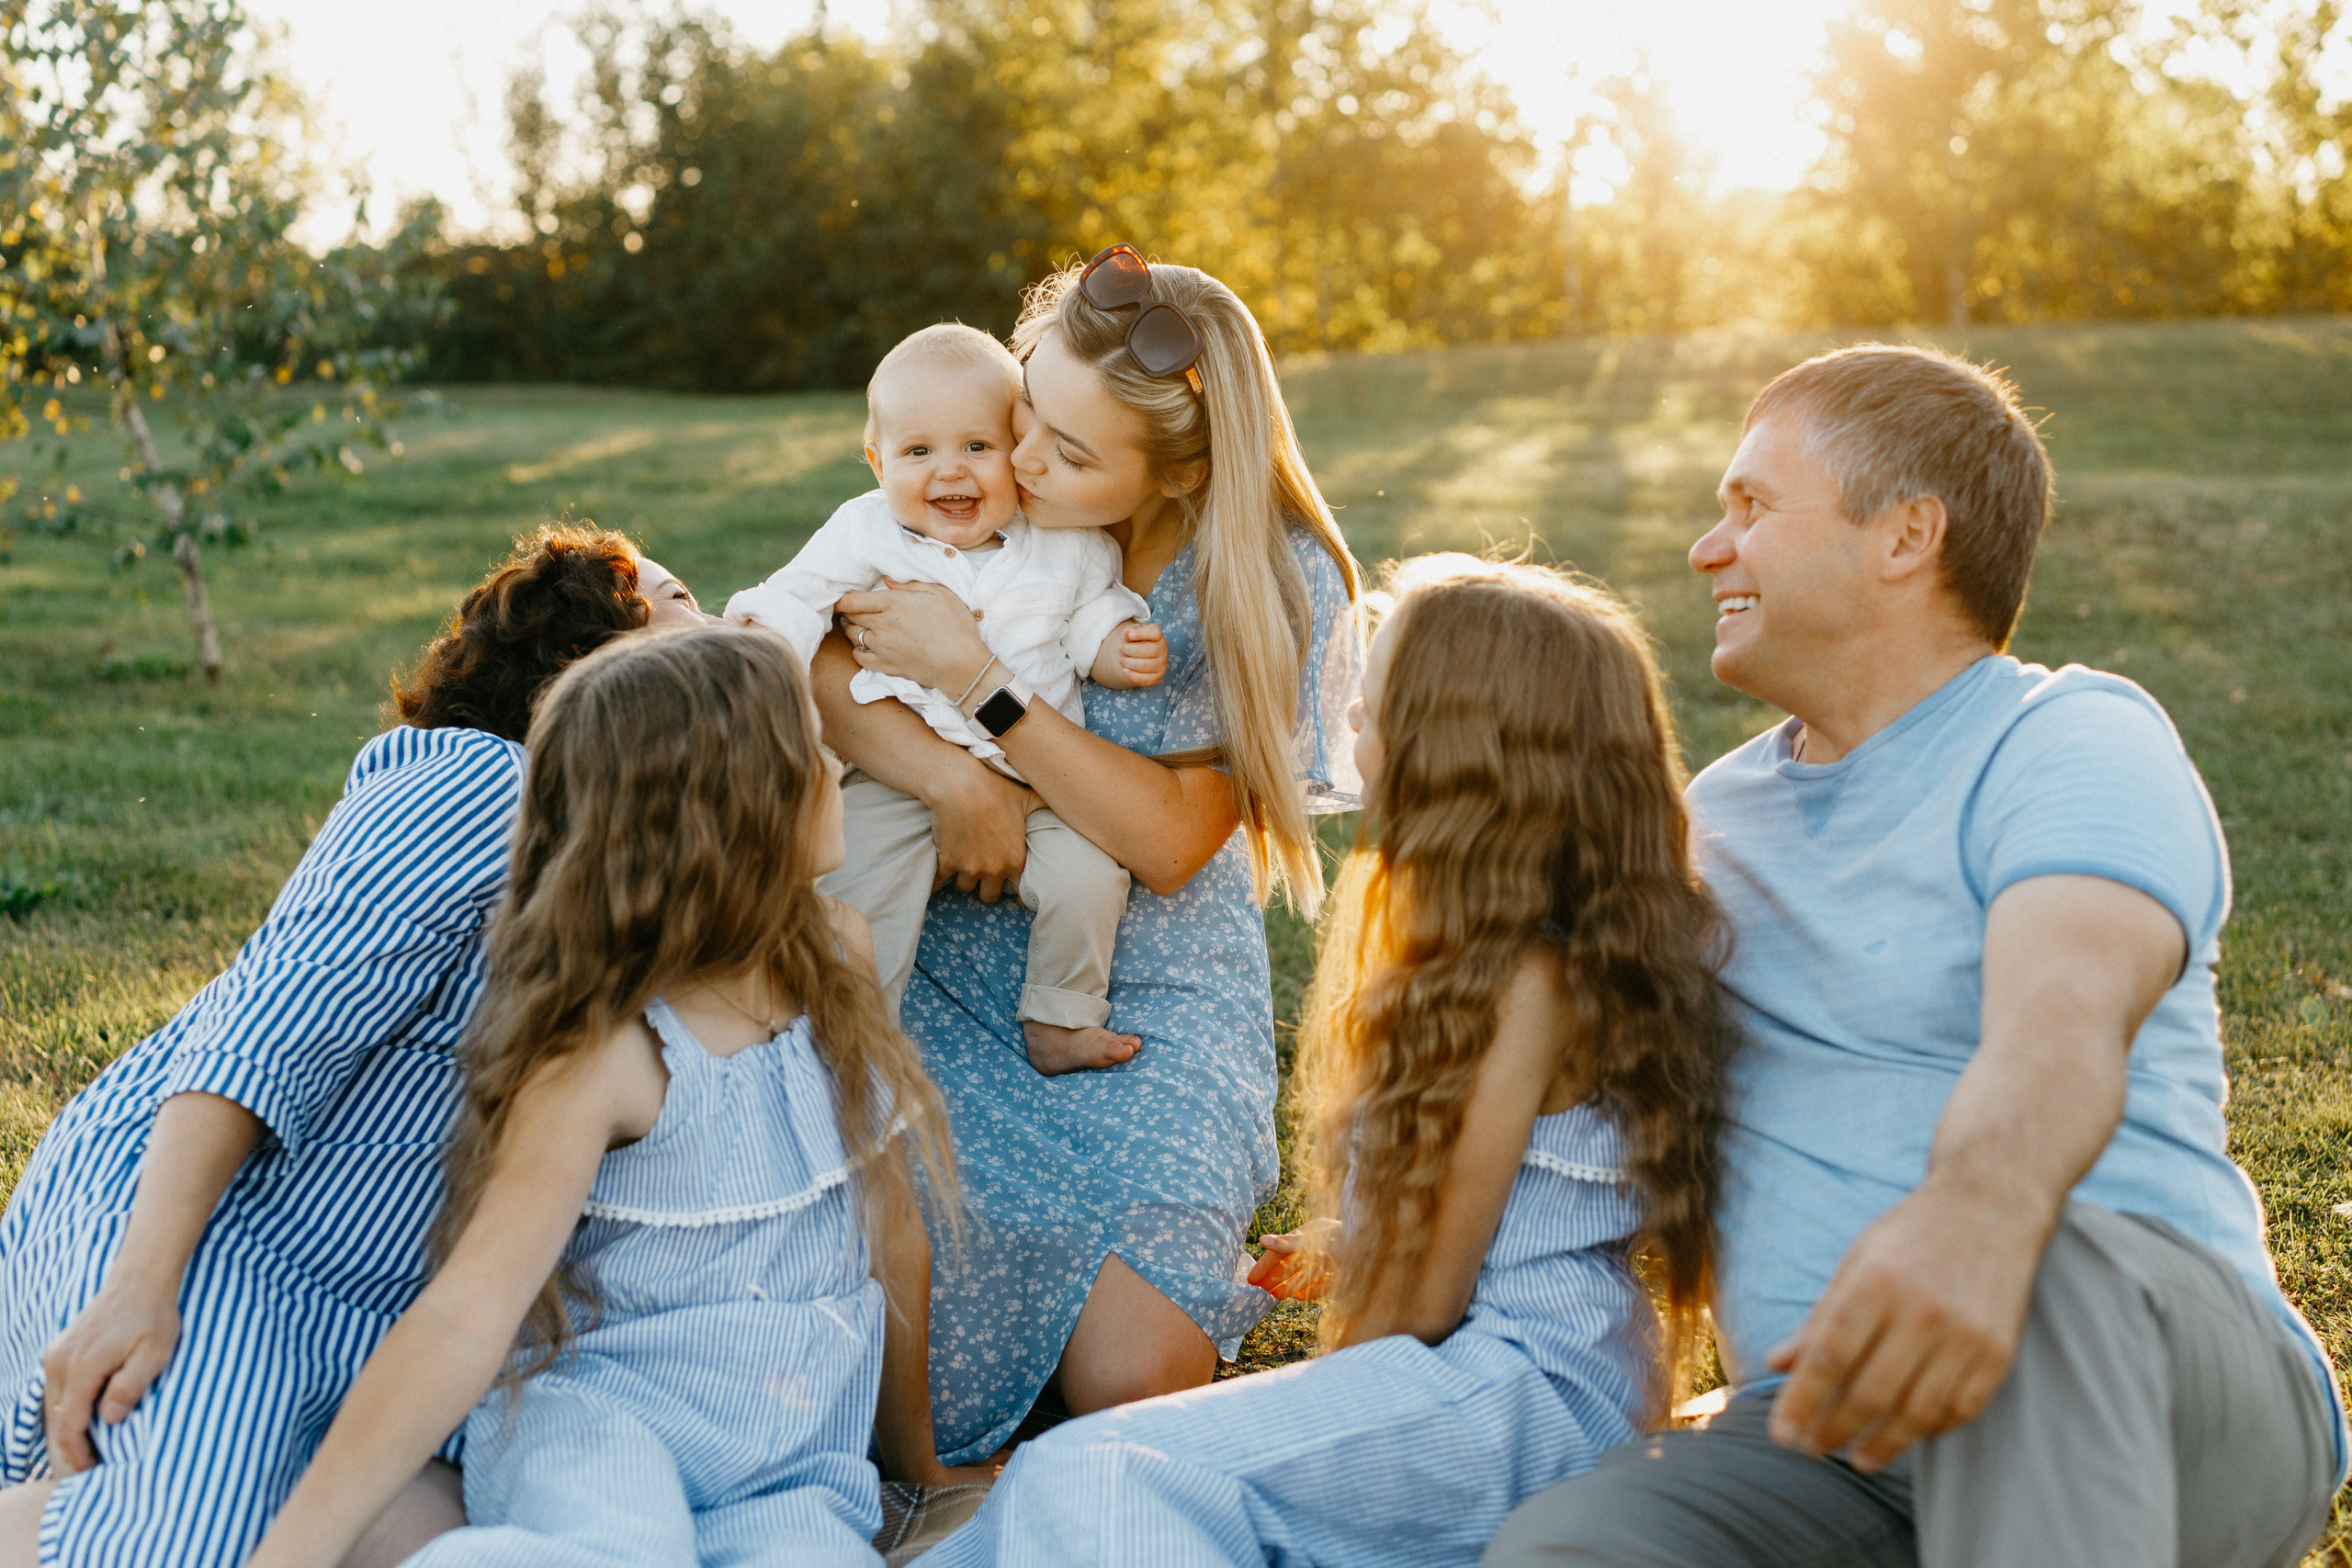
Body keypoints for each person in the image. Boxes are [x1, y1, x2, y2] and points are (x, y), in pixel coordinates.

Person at [1486, 344, 2346, 1568]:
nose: (1705, 548)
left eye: (1751, 506)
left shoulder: (2067, 736)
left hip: (2151, 1378)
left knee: (2046, 1279)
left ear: (1905, 535)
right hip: (1834, 1432)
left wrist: (1979, 1215)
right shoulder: (1704, 830)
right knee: (1577, 1542)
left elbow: (2065, 1017)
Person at [914, 555, 1731, 1567]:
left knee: (1101, 1472)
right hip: (1517, 1369)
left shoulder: (1529, 981)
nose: (1348, 728)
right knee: (1044, 1497)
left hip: (1529, 1386)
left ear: (1460, 755)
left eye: (1370, 710)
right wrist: (1354, 1235)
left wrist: (1337, 1367)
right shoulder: (1520, 945)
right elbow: (1514, 1203)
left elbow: (1426, 1304)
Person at [0, 525, 708, 1568]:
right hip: (218, 1237)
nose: (722, 617)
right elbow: (265, 1033)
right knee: (165, 1544)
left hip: (366, 1303)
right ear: (598, 654)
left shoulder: (638, 855)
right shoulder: (474, 787)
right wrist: (146, 1282)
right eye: (682, 598)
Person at [249, 626, 966, 1568]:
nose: (837, 766)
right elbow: (468, 1311)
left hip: (788, 1460)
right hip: (604, 1423)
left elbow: (890, 1231)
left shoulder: (837, 956)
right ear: (733, 811)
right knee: (623, 1552)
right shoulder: (610, 1051)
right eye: (810, 752)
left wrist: (918, 1471)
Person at [822, 244, 1363, 1465]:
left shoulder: (1272, 577)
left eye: (1068, 454)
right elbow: (819, 663)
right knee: (860, 1274)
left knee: (1131, 1377)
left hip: (1149, 983)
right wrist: (950, 776)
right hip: (953, 950)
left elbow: (1172, 840)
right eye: (1029, 416)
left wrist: (981, 688)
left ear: (1181, 473)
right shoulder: (968, 487)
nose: (1012, 463)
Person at [728, 322, 1167, 1076]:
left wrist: (1113, 647)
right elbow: (796, 597)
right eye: (918, 451)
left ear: (1019, 453)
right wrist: (761, 643)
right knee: (855, 893)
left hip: (1041, 781)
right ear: (876, 462)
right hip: (902, 773)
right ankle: (849, 1040)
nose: (949, 472)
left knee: (1090, 880)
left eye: (976, 446)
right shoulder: (865, 532)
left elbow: (1091, 611)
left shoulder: (1066, 543)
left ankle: (1060, 1015)